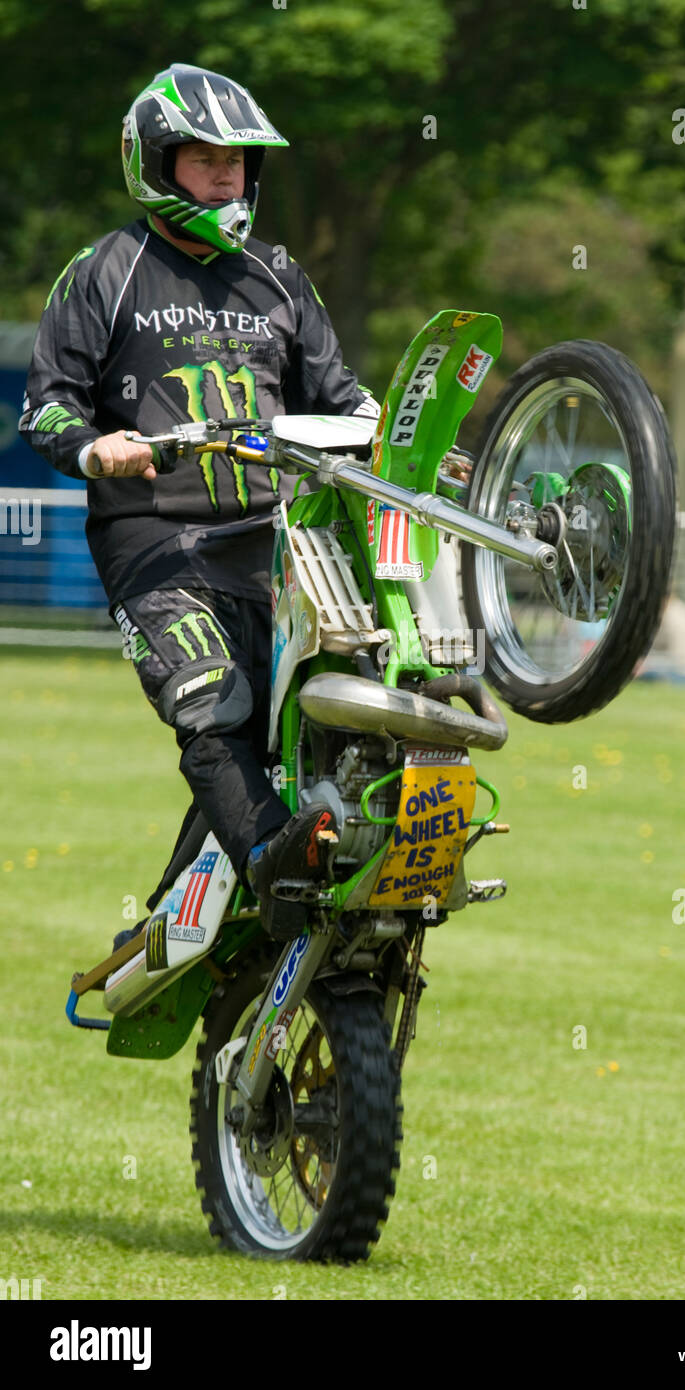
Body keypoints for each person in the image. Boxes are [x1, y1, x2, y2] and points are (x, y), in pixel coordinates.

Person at [19, 63, 380, 947]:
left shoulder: (279, 275)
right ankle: (271, 865)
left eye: (239, 161)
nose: (226, 176)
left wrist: (383, 428)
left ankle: (180, 912)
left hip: (274, 544)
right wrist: (93, 445)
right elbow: (46, 403)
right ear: (155, 162)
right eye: (204, 158)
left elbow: (339, 396)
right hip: (155, 545)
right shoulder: (107, 269)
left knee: (319, 718)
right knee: (212, 702)